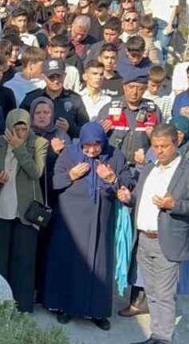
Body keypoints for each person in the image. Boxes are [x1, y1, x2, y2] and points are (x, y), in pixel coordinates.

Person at [116, 122, 189, 344]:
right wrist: (128, 198)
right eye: (155, 146)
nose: (159, 151)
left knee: (164, 294)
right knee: (151, 291)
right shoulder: (150, 168)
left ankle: (164, 341)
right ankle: (155, 335)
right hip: (144, 239)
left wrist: (174, 205)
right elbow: (138, 198)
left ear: (176, 143)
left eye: (164, 146)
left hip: (167, 241)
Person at [44, 121, 128, 330]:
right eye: (86, 146)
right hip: (71, 220)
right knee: (69, 262)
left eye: (96, 145)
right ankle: (65, 307)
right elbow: (54, 183)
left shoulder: (115, 155)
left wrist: (112, 178)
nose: (91, 151)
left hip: (101, 220)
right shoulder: (69, 155)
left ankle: (97, 311)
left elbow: (127, 182)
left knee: (99, 266)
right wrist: (71, 176)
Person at [0, 109, 46, 312]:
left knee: (24, 261)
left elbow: (36, 172)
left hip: (25, 212)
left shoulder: (39, 143)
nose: (19, 133)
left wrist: (19, 148)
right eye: (15, 129)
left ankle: (22, 307)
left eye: (24, 129)